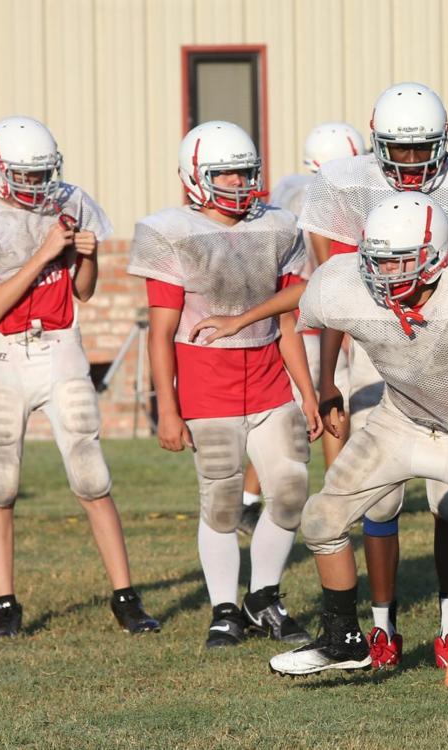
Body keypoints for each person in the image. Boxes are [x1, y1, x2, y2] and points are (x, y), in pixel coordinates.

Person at [195, 193, 448, 688]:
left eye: (399, 260)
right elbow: (309, 296)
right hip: (402, 421)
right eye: (378, 259)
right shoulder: (351, 284)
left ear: (437, 256)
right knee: (322, 517)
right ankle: (343, 639)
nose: (385, 272)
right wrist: (240, 320)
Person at [296, 82, 448, 669]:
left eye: (418, 148)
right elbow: (339, 292)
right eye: (395, 150)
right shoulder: (347, 183)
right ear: (375, 143)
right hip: (377, 354)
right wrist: (329, 379)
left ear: (443, 141)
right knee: (379, 502)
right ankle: (381, 627)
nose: (407, 162)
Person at [0, 116, 159, 638]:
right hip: (7, 353)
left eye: (40, 173)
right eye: (24, 175)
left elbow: (83, 293)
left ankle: (125, 598)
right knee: (1, 480)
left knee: (90, 474)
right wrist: (46, 252)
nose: (35, 185)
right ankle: (5, 605)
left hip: (60, 348)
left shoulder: (67, 204)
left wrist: (86, 260)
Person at [127, 121, 323, 648]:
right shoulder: (171, 231)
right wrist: (166, 408)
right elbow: (161, 333)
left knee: (289, 489)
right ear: (195, 176)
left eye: (245, 173)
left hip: (269, 380)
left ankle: (263, 597)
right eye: (226, 174)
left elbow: (289, 320)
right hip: (206, 384)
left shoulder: (279, 225)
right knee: (221, 501)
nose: (239, 184)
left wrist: (306, 391)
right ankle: (224, 608)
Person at [237, 122, 369, 536]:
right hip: (314, 315)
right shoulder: (325, 197)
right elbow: (328, 263)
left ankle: (248, 500)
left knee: (295, 410)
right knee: (330, 403)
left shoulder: (293, 189)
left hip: (293, 315)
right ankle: (333, 494)